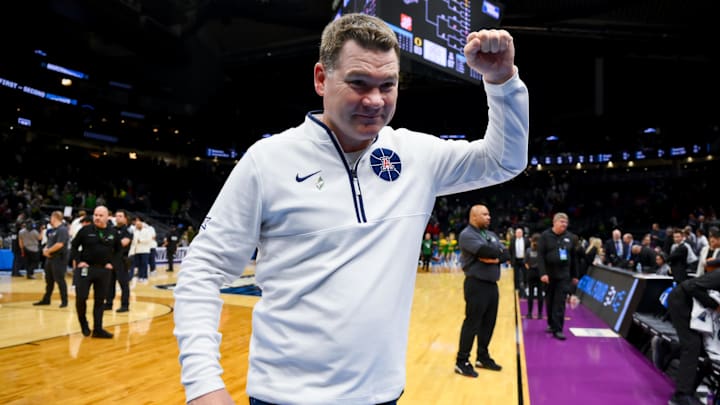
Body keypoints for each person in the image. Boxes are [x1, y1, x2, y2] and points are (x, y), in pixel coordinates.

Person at [173, 12, 529, 404]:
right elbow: (202, 270)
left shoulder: (416, 155)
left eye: (387, 85)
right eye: (359, 83)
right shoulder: (268, 160)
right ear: (321, 79)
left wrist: (501, 82)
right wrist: (203, 384)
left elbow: (505, 160)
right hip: (284, 398)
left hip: (382, 395)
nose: (374, 101)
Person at [454, 204, 507, 377]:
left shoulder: (490, 234)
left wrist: (494, 257)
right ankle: (462, 361)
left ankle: (482, 357)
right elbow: (486, 252)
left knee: (489, 323)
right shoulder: (467, 234)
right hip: (476, 284)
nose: (488, 217)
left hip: (492, 284)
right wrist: (494, 255)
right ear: (474, 216)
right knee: (472, 323)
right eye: (484, 214)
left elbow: (505, 254)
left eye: (489, 214)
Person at [666, 256, 720, 405]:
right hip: (681, 301)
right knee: (692, 345)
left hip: (696, 309)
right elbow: (691, 287)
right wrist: (714, 305)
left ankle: (671, 353)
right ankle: (680, 395)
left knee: (704, 350)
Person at [71, 205, 122, 338]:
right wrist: (78, 261)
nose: (97, 218)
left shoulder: (112, 232)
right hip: (86, 269)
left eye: (100, 215)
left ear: (107, 217)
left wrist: (112, 264)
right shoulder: (85, 230)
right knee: (81, 298)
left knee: (100, 301)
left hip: (103, 270)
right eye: (96, 215)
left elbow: (119, 250)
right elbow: (74, 246)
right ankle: (83, 323)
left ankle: (98, 329)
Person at [538, 212, 579, 341]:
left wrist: (575, 275)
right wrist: (543, 273)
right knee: (549, 301)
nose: (564, 225)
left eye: (566, 223)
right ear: (554, 222)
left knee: (560, 302)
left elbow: (574, 258)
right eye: (562, 222)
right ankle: (551, 323)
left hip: (564, 275)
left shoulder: (570, 237)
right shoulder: (545, 236)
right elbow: (540, 256)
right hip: (549, 275)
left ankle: (558, 329)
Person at [33, 211, 70, 308]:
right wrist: (45, 249)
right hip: (50, 259)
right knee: (49, 280)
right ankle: (46, 299)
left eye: (51, 217)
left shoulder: (62, 230)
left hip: (59, 259)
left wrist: (48, 251)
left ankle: (64, 301)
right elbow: (49, 243)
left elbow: (60, 244)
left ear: (54, 218)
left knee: (60, 280)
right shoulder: (53, 230)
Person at [105, 209, 133, 312]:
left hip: (122, 260)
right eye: (116, 216)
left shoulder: (128, 230)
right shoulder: (112, 229)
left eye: (120, 216)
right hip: (111, 259)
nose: (118, 218)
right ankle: (108, 303)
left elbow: (123, 243)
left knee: (123, 284)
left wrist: (111, 244)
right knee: (109, 283)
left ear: (125, 218)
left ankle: (125, 305)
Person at [525, 233, 544, 319]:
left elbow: (525, 263)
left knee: (531, 294)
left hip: (531, 272)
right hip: (540, 272)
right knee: (540, 294)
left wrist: (529, 268)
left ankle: (529, 313)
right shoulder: (542, 251)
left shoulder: (529, 250)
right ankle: (540, 314)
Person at [509, 226, 529, 298]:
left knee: (525, 274)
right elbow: (510, 251)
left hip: (524, 260)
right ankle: (516, 289)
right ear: (515, 233)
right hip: (516, 260)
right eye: (517, 232)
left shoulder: (526, 240)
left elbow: (528, 250)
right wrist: (510, 260)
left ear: (522, 233)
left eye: (520, 232)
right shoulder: (512, 240)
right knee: (516, 275)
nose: (519, 233)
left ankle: (526, 288)